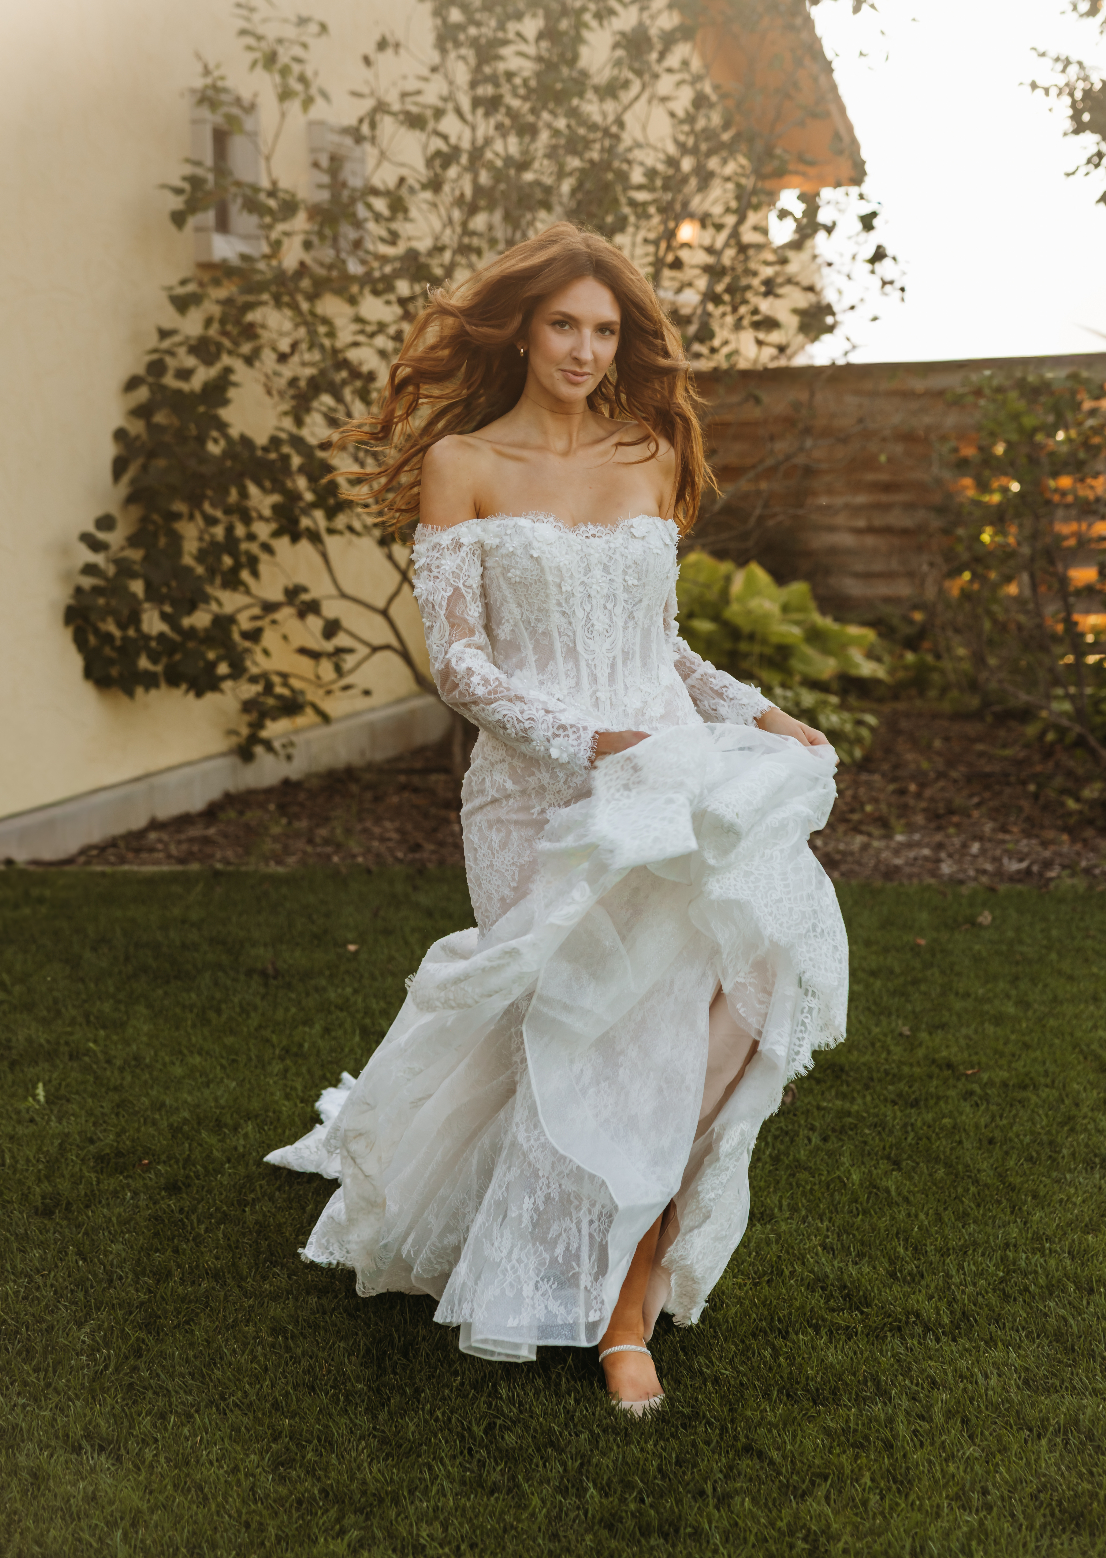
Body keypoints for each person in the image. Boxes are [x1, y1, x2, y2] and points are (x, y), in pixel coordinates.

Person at [266, 222, 847, 1416]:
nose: (585, 349)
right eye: (563, 325)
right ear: (522, 332)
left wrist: (763, 709)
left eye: (605, 330)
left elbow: (661, 646)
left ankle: (626, 1308)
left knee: (724, 1015)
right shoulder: (462, 463)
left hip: (669, 777)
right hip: (537, 791)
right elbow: (461, 671)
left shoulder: (647, 452)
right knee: (579, 1029)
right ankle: (533, 1225)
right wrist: (588, 744)